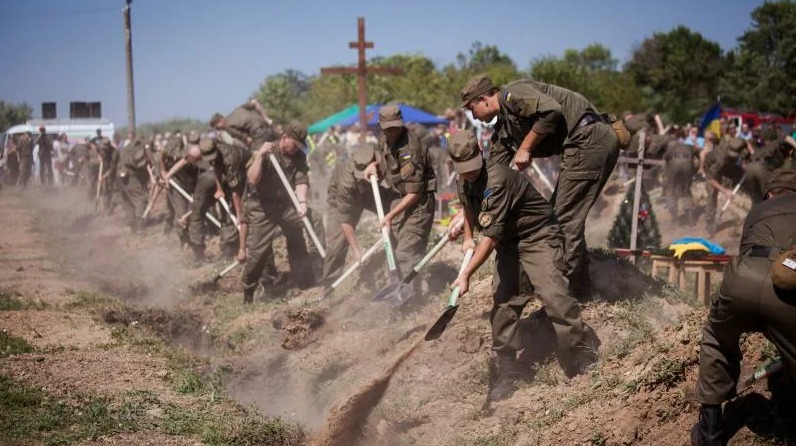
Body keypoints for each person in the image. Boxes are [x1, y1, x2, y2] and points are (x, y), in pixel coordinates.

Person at [447, 131, 599, 401]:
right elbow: (469, 207)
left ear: (480, 154)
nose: (469, 174)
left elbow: (491, 238)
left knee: (554, 295)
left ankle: (580, 354)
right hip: (509, 242)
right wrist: (468, 237)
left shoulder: (497, 180)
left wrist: (466, 275)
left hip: (538, 235)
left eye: (472, 167)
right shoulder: (465, 182)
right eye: (463, 170)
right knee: (504, 303)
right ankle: (508, 371)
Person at [460, 74, 619, 300]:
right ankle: (581, 291)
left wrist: (525, 147)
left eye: (471, 108)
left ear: (484, 99)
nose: (472, 115)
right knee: (559, 218)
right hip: (582, 144)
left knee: (562, 222)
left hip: (588, 139)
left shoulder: (513, 93)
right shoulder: (505, 128)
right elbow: (490, 174)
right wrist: (465, 211)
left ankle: (565, 298)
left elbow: (551, 110)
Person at [692, 169, 796, 446]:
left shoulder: (758, 210)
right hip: (787, 286)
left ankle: (710, 430)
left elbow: (746, 247)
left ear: (771, 193)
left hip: (743, 278)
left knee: (716, 338)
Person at [363, 105, 437, 306]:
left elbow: (415, 192)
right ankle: (400, 294)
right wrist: (374, 165)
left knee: (406, 252)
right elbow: (385, 160)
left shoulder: (411, 147)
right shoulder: (383, 140)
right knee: (392, 249)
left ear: (401, 123)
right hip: (399, 198)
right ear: (381, 126)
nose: (392, 132)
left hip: (419, 202)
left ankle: (411, 303)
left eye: (395, 127)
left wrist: (390, 215)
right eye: (387, 128)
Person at [240, 122, 317, 303]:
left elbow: (301, 179)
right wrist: (260, 155)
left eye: (300, 146)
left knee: (305, 228)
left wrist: (302, 203)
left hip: (285, 206)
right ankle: (248, 291)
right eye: (294, 144)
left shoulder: (298, 156)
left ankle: (304, 279)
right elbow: (252, 179)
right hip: (261, 209)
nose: (296, 149)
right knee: (258, 254)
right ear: (284, 138)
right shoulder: (266, 152)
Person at [321, 144, 395, 290]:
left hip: (369, 194)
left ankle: (392, 267)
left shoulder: (383, 159)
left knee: (397, 216)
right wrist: (356, 250)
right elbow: (345, 220)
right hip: (343, 201)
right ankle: (330, 286)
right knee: (337, 245)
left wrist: (390, 217)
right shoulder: (346, 183)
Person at [703, 138, 747, 228]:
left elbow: (747, 145)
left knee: (743, 174)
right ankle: (710, 223)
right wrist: (725, 191)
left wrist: (746, 161)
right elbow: (711, 178)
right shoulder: (720, 159)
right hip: (711, 170)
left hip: (728, 165)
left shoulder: (739, 143)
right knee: (712, 192)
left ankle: (747, 195)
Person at [117, 134, 150, 232]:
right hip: (129, 177)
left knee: (128, 200)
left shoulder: (127, 148)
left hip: (120, 176)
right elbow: (138, 163)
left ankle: (131, 222)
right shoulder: (138, 150)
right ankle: (139, 226)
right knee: (139, 199)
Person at [663, 134, 698, 224]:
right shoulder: (688, 146)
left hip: (675, 165)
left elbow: (666, 160)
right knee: (686, 190)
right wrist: (694, 170)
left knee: (671, 189)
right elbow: (698, 154)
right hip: (688, 164)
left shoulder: (671, 147)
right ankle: (690, 218)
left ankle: (675, 218)